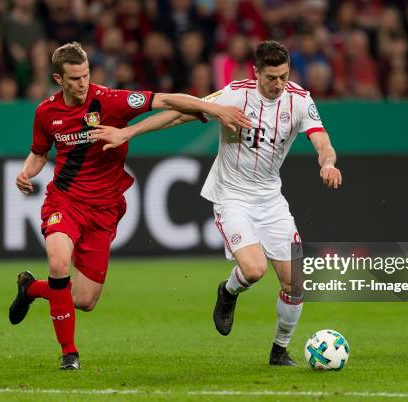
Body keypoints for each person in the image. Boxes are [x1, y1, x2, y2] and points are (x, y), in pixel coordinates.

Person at [90, 40, 342, 365]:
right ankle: (228, 291)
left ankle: (279, 350)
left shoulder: (299, 100)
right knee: (253, 270)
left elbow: (322, 141)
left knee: (295, 282)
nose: (278, 84)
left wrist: (327, 163)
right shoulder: (235, 94)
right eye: (271, 77)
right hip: (232, 195)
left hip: (270, 198)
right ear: (256, 73)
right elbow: (179, 115)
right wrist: (129, 133)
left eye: (283, 76)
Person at [8, 42, 251, 370]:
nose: (83, 83)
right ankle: (69, 354)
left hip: (104, 209)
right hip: (65, 201)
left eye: (86, 75)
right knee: (59, 261)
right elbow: (39, 153)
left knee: (83, 300)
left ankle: (31, 288)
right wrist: (26, 172)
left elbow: (164, 100)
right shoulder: (46, 112)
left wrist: (216, 109)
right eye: (75, 78)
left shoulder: (110, 100)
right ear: (58, 79)